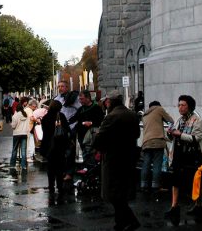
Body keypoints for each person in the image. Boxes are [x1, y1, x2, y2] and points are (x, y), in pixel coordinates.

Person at [93, 90, 141, 231]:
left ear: (110, 102)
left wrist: (97, 138)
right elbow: (137, 134)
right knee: (122, 192)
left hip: (114, 159)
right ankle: (120, 222)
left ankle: (130, 220)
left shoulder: (111, 117)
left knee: (113, 193)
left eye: (107, 101)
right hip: (129, 157)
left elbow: (100, 138)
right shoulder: (132, 115)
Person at [165, 94, 202, 225]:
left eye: (183, 105)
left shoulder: (197, 120)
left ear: (189, 107)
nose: (180, 107)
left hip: (193, 156)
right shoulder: (179, 120)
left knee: (194, 182)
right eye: (179, 105)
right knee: (175, 180)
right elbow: (173, 138)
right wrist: (170, 134)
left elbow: (196, 138)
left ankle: (198, 204)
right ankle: (174, 206)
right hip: (178, 155)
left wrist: (180, 134)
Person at [40, 99, 71, 201]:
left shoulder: (45, 118)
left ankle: (51, 186)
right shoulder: (61, 116)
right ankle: (60, 186)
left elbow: (45, 133)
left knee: (50, 168)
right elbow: (67, 130)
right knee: (60, 167)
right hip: (60, 145)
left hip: (49, 146)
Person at [141, 100, 174, 193]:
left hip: (146, 142)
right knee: (157, 164)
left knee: (146, 164)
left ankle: (144, 186)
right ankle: (155, 186)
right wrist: (169, 130)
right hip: (157, 141)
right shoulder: (159, 109)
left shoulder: (145, 115)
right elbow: (171, 121)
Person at [69, 90, 104, 170]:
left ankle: (89, 169)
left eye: (82, 99)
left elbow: (100, 120)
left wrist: (91, 123)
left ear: (88, 98)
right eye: (79, 99)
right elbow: (74, 118)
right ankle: (86, 169)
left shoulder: (96, 108)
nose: (80, 101)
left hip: (91, 135)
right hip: (81, 134)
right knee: (85, 151)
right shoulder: (81, 109)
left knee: (90, 152)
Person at [53, 81, 81, 181]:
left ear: (67, 87)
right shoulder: (56, 99)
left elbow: (80, 109)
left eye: (62, 86)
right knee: (60, 151)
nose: (60, 88)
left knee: (69, 151)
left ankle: (69, 173)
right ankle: (62, 171)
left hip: (71, 126)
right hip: (60, 127)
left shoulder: (74, 98)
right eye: (59, 86)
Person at [9, 96, 30, 171]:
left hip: (17, 134)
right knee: (24, 150)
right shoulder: (25, 115)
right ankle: (23, 165)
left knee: (14, 149)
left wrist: (11, 124)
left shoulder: (15, 116)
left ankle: (12, 165)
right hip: (24, 134)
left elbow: (13, 126)